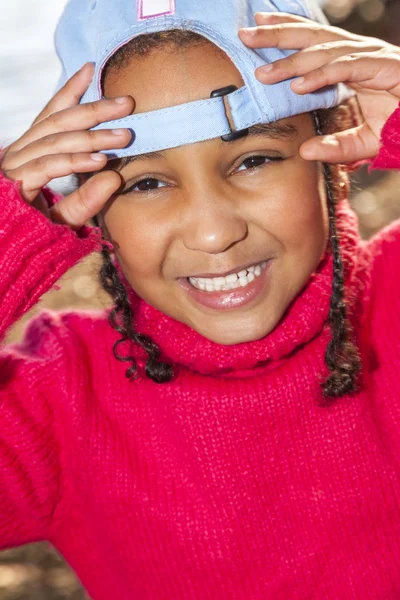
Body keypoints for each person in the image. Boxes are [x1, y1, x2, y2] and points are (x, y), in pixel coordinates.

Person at [0, 0, 400, 597]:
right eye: (148, 182)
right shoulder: (58, 403)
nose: (213, 233)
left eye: (254, 160)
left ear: (333, 158)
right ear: (95, 209)